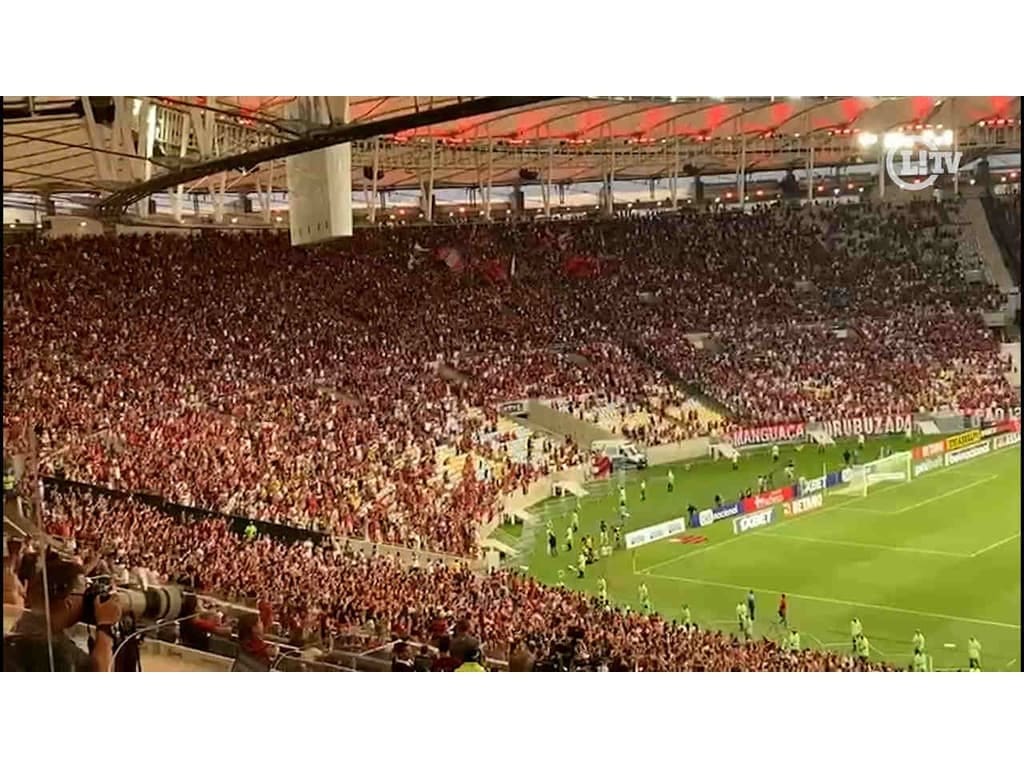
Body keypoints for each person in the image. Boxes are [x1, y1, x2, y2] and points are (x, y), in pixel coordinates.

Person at [4, 558, 122, 672]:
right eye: (84, 594)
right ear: (68, 602)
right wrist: (105, 626)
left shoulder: (22, 626)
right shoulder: (58, 650)